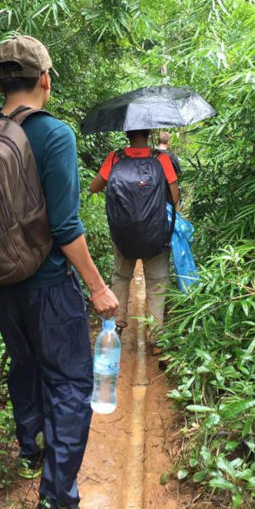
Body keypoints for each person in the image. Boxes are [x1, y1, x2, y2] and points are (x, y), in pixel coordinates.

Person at [0, 35, 118, 509]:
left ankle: (29, 449)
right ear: (44, 79)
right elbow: (65, 227)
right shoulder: (53, 135)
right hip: (47, 286)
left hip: (1, 282)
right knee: (68, 382)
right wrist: (99, 287)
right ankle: (58, 501)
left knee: (26, 363)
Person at [89, 129, 179, 353]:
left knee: (121, 276)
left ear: (127, 133)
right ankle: (156, 337)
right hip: (156, 234)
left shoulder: (115, 158)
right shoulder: (162, 159)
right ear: (148, 134)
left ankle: (116, 327)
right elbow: (175, 197)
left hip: (123, 234)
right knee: (158, 281)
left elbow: (94, 187)